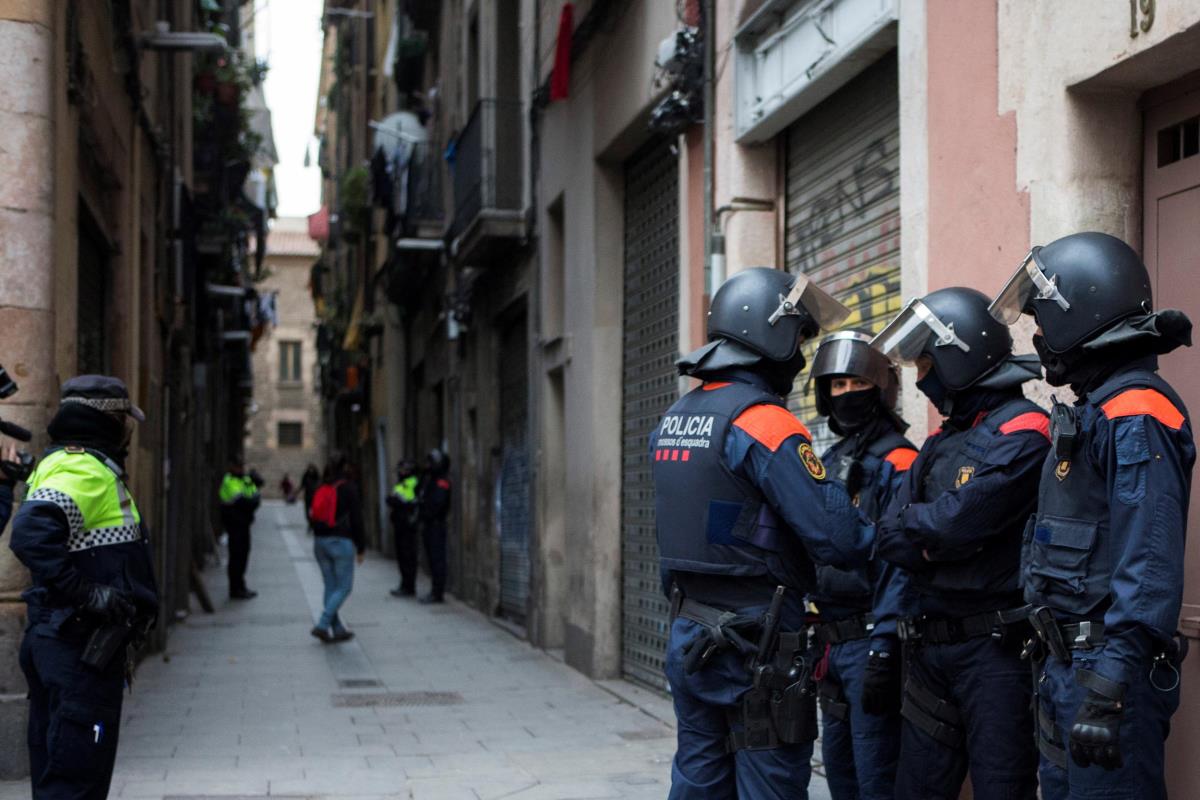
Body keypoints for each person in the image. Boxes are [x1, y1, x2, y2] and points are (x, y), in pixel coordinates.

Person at [654, 267, 876, 800]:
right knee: (769, 787)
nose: (799, 357)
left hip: (691, 630)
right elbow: (837, 537)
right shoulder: (763, 421)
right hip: (758, 642)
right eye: (798, 338)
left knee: (698, 781)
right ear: (770, 334)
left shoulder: (676, 417)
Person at [988, 232, 1195, 800]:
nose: (1038, 337)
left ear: (1082, 313)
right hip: (1068, 667)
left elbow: (1147, 558)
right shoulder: (1098, 409)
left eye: (1043, 320)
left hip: (1105, 672)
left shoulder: (1136, 410)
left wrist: (1111, 681)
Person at [872, 287, 1049, 800]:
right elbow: (887, 534)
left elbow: (955, 524)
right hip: (929, 648)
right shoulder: (939, 441)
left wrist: (932, 534)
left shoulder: (1026, 430)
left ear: (960, 353)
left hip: (995, 652)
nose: (920, 378)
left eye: (927, 363)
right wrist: (934, 536)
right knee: (916, 789)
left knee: (1001, 787)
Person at [8, 376, 159, 799]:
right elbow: (30, 535)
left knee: (59, 777)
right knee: (75, 785)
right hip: (77, 649)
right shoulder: (85, 469)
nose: (128, 431)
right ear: (110, 420)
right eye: (125, 420)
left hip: (60, 641)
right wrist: (87, 593)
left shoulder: (59, 461)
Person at [806, 331, 917, 800]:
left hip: (871, 641)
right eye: (837, 385)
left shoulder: (900, 460)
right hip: (830, 644)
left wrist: (885, 646)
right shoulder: (829, 460)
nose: (847, 393)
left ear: (880, 387)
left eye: (858, 383)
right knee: (842, 776)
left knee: (877, 778)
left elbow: (901, 563)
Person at [308, 452, 365, 642]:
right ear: (345, 466)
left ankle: (337, 628)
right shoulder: (349, 488)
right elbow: (357, 519)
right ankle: (323, 624)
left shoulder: (320, 486)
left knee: (331, 586)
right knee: (344, 587)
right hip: (340, 542)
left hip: (320, 542)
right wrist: (361, 546)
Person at [218, 459, 261, 600]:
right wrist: (251, 501)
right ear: (231, 467)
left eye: (242, 466)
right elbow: (243, 501)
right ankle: (235, 589)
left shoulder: (245, 480)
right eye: (238, 466)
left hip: (244, 523)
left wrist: (251, 500)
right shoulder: (228, 481)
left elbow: (256, 496)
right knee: (236, 557)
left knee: (243, 555)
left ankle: (241, 586)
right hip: (234, 525)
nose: (241, 469)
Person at [418, 449, 451, 604]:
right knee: (432, 559)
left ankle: (437, 593)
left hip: (436, 525)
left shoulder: (442, 482)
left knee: (437, 560)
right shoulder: (430, 480)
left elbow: (437, 504)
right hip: (429, 525)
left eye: (431, 463)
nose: (428, 466)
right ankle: (435, 590)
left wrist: (426, 512)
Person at [387, 458, 420, 598]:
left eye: (402, 470)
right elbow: (393, 498)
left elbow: (408, 501)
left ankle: (409, 586)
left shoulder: (412, 482)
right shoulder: (402, 483)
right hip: (400, 524)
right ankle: (405, 584)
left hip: (407, 525)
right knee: (402, 556)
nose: (400, 472)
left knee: (407, 556)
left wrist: (396, 501)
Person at [301, 463, 321, 531]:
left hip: (315, 497)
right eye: (309, 469)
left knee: (314, 512)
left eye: (312, 469)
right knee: (307, 513)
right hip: (307, 497)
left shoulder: (317, 477)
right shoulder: (306, 476)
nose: (310, 470)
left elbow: (320, 485)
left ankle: (312, 524)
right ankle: (311, 523)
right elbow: (302, 485)